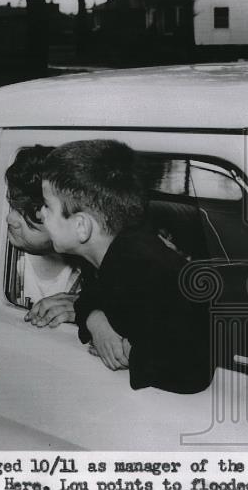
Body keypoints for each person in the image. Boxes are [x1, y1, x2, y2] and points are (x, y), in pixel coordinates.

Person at [40, 140, 214, 394]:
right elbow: (92, 295)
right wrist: (95, 320)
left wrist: (132, 353)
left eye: (48, 206)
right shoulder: (115, 252)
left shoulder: (147, 270)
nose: (41, 214)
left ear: (81, 227)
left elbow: (194, 366)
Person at [4, 146, 82, 327]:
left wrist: (91, 310)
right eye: (12, 206)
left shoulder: (97, 271)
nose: (10, 219)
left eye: (28, 213)